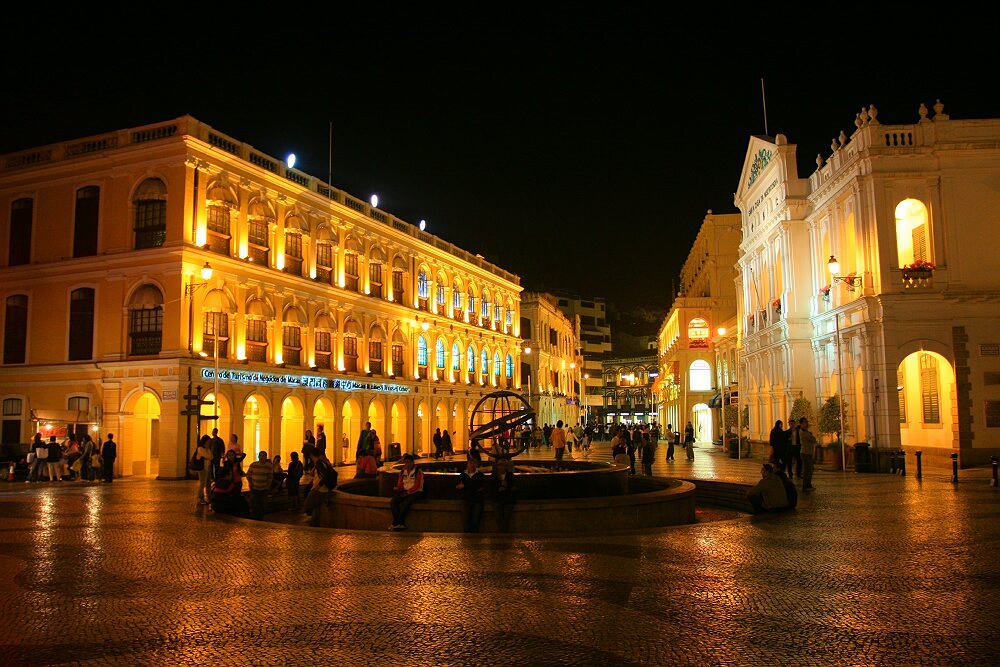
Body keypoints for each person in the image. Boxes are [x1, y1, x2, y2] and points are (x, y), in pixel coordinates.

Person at [389, 453, 424, 531]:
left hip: (416, 492)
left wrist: (408, 492)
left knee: (406, 503)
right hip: (404, 491)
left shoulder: (418, 471)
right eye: (406, 462)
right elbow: (400, 483)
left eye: (409, 462)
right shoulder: (402, 472)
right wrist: (398, 488)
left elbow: (418, 485)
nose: (407, 464)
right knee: (393, 502)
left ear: (413, 463)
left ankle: (398, 523)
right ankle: (397, 523)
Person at [303, 449, 337, 527]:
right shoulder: (321, 463)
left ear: (312, 455)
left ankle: (314, 523)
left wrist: (318, 486)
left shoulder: (319, 463)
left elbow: (325, 475)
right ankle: (315, 524)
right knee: (316, 508)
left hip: (319, 489)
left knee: (307, 506)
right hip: (323, 489)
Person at [211, 450, 249, 518]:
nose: (231, 456)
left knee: (237, 494)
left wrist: (239, 453)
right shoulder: (226, 463)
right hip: (231, 481)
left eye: (232, 455)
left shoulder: (237, 461)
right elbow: (224, 471)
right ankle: (233, 509)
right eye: (229, 455)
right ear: (227, 456)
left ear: (234, 455)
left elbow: (244, 455)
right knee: (232, 494)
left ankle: (236, 509)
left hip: (238, 480)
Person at [456, 456, 485, 533]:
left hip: (477, 501)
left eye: (474, 463)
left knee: (476, 520)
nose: (472, 465)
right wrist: (474, 486)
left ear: (477, 465)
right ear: (467, 464)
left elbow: (479, 486)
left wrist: (465, 486)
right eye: (470, 463)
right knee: (465, 521)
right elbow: (457, 486)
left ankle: (475, 538)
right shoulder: (462, 475)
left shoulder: (480, 475)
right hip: (465, 500)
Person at [246, 451, 273, 520]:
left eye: (263, 456)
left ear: (266, 457)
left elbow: (270, 477)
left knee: (262, 504)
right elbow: (248, 474)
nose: (262, 458)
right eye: (260, 456)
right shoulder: (253, 465)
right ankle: (255, 517)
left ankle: (261, 517)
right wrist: (250, 483)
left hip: (264, 488)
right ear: (258, 457)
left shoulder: (268, 466)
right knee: (255, 503)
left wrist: (268, 486)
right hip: (254, 488)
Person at [491, 457, 516, 532]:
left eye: (503, 465)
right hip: (498, 501)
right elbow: (491, 487)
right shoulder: (494, 476)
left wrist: (506, 487)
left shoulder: (510, 475)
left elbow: (513, 487)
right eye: (499, 465)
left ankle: (504, 535)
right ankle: (501, 534)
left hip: (508, 501)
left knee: (506, 519)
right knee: (499, 519)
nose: (501, 467)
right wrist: (499, 489)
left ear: (506, 467)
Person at [798, 417, 818, 491]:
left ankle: (808, 485)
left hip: (808, 452)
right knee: (807, 471)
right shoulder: (803, 432)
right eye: (804, 422)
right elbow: (813, 439)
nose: (806, 424)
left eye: (806, 422)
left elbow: (813, 439)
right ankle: (805, 486)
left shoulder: (806, 431)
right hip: (805, 453)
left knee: (810, 470)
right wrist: (811, 435)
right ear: (801, 424)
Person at [194, 434, 213, 505]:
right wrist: (209, 456)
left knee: (208, 483)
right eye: (208, 441)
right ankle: (200, 498)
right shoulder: (200, 448)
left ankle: (209, 498)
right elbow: (208, 456)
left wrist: (209, 455)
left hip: (208, 468)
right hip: (202, 469)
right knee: (202, 483)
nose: (208, 443)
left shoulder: (207, 449)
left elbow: (211, 456)